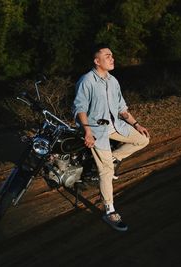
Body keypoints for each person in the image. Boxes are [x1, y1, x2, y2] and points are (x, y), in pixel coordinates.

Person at [73, 44, 150, 231]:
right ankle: (109, 211)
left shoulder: (113, 81)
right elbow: (79, 108)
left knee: (143, 139)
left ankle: (115, 157)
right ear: (96, 61)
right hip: (95, 131)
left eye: (112, 56)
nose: (112, 58)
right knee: (106, 171)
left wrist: (137, 125)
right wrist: (87, 131)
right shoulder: (87, 80)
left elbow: (122, 109)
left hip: (115, 126)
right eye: (107, 56)